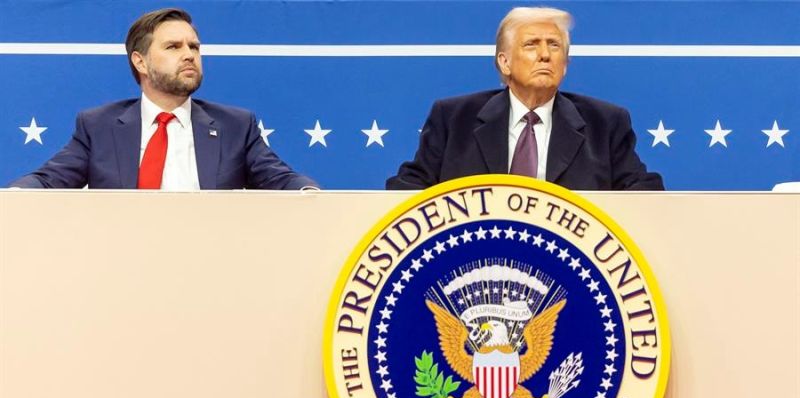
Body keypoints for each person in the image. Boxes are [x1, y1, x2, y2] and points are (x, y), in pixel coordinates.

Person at [11, 8, 318, 190]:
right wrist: (13, 198)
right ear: (140, 62)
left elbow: (282, 180)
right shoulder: (98, 127)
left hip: (210, 265)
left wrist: (310, 193)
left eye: (194, 47)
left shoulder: (236, 127)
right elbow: (47, 182)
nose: (189, 55)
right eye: (173, 47)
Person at [386, 7, 663, 191]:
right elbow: (408, 189)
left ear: (564, 64)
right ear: (504, 62)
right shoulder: (453, 118)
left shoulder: (605, 124)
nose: (545, 54)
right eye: (532, 44)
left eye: (554, 46)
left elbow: (644, 194)